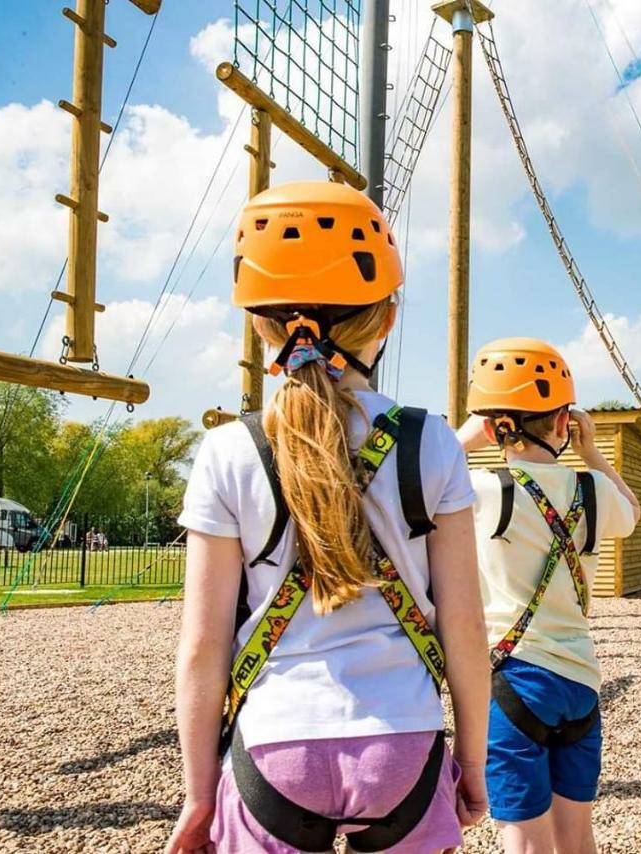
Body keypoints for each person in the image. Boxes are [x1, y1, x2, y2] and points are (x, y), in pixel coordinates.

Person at [166, 181, 490, 854]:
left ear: (258, 322)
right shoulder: (430, 443)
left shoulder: (230, 450)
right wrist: (474, 762)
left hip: (274, 745)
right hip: (404, 743)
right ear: (388, 319)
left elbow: (202, 646)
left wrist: (200, 795)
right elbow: (464, 626)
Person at [456, 338, 639, 854]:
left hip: (515, 680)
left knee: (525, 842)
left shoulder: (483, 490)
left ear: (494, 426)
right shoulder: (593, 490)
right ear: (564, 422)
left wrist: (468, 436)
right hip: (580, 681)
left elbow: (412, 480)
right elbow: (632, 512)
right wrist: (592, 453)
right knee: (577, 838)